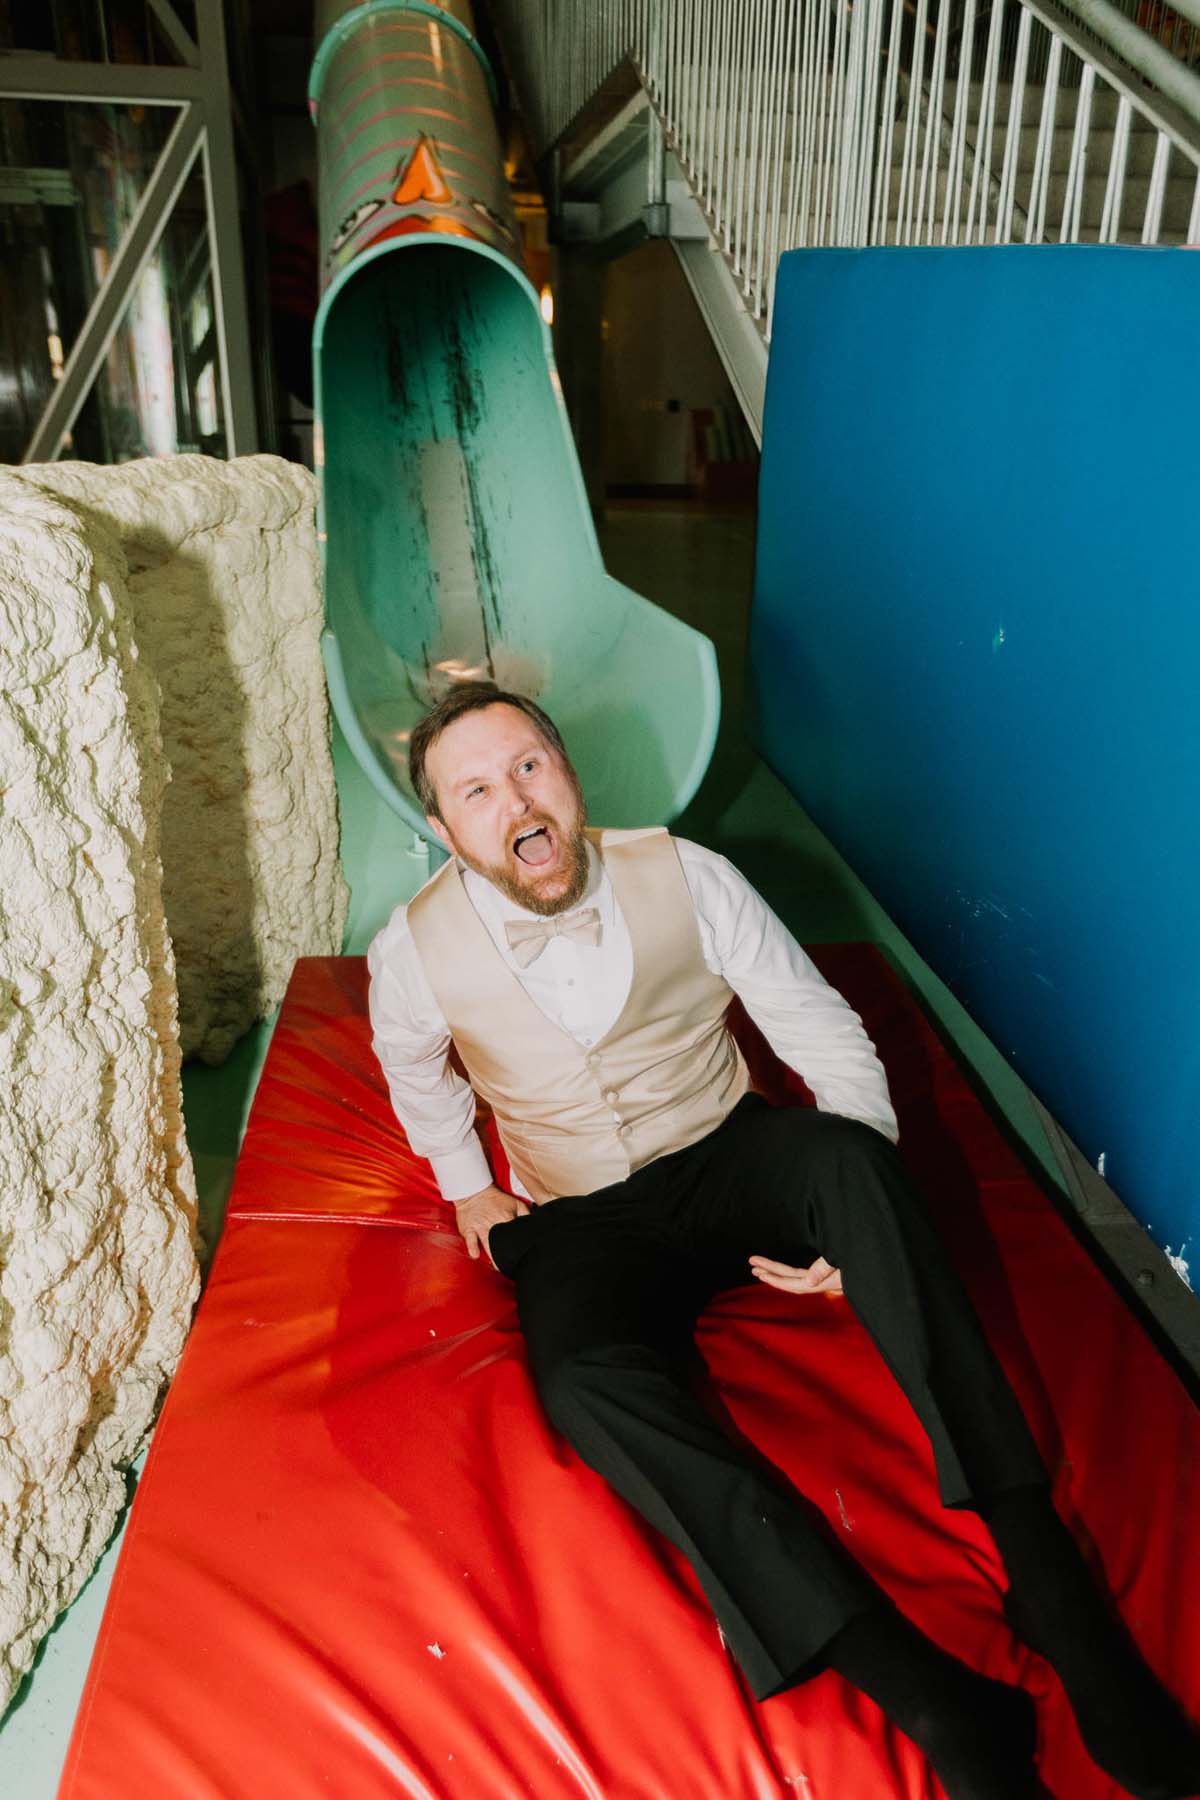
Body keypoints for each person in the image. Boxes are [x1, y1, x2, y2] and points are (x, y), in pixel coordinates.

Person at [367, 681, 1199, 1800]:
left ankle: (1046, 1579)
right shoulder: (412, 950)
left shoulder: (690, 874)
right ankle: (930, 1695)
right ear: (443, 827)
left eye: (529, 766)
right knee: (581, 1382)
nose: (515, 799)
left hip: (725, 1155)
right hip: (581, 1214)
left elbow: (816, 1026)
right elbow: (416, 1069)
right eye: (475, 789)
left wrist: (852, 1216)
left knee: (854, 1162)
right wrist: (468, 1183)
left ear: (567, 772)